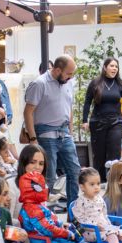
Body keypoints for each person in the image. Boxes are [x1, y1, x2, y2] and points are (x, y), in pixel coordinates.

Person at [17, 144, 104, 243]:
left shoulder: (35, 194)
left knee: (71, 227)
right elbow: (44, 227)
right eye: (32, 162)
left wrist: (60, 225)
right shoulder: (26, 196)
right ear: (23, 162)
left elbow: (46, 218)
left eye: (41, 163)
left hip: (44, 237)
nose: (37, 167)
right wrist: (64, 233)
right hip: (35, 241)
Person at [22, 55, 81, 206]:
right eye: (68, 73)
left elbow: (69, 108)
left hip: (64, 131)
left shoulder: (68, 82)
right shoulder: (39, 83)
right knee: (49, 175)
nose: (71, 77)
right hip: (45, 133)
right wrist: (33, 139)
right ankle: (44, 212)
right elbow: (28, 112)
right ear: (57, 70)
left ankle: (73, 212)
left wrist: (70, 132)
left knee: (74, 171)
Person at [81, 58, 122, 182]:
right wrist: (84, 120)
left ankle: (113, 181)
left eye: (116, 66)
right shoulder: (95, 83)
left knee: (114, 152)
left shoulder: (120, 84)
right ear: (105, 67)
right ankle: (100, 181)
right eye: (112, 66)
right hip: (98, 122)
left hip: (116, 122)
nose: (114, 68)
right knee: (99, 154)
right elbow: (87, 102)